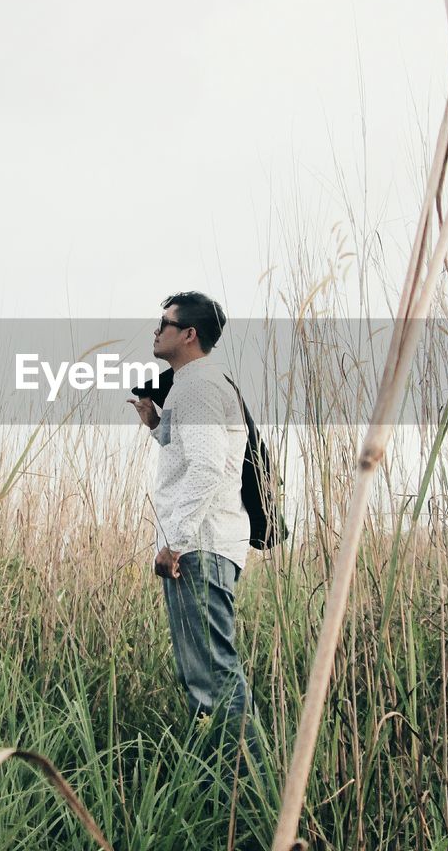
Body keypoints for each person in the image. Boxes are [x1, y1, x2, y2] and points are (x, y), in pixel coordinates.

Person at [127, 291, 262, 772]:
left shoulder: (199, 385)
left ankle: (244, 803)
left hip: (198, 548)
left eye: (164, 323)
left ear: (189, 334)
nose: (155, 330)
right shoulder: (193, 385)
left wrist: (175, 542)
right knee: (206, 677)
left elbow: (205, 468)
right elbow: (198, 452)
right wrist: (156, 424)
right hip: (206, 546)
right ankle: (228, 792)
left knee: (213, 680)